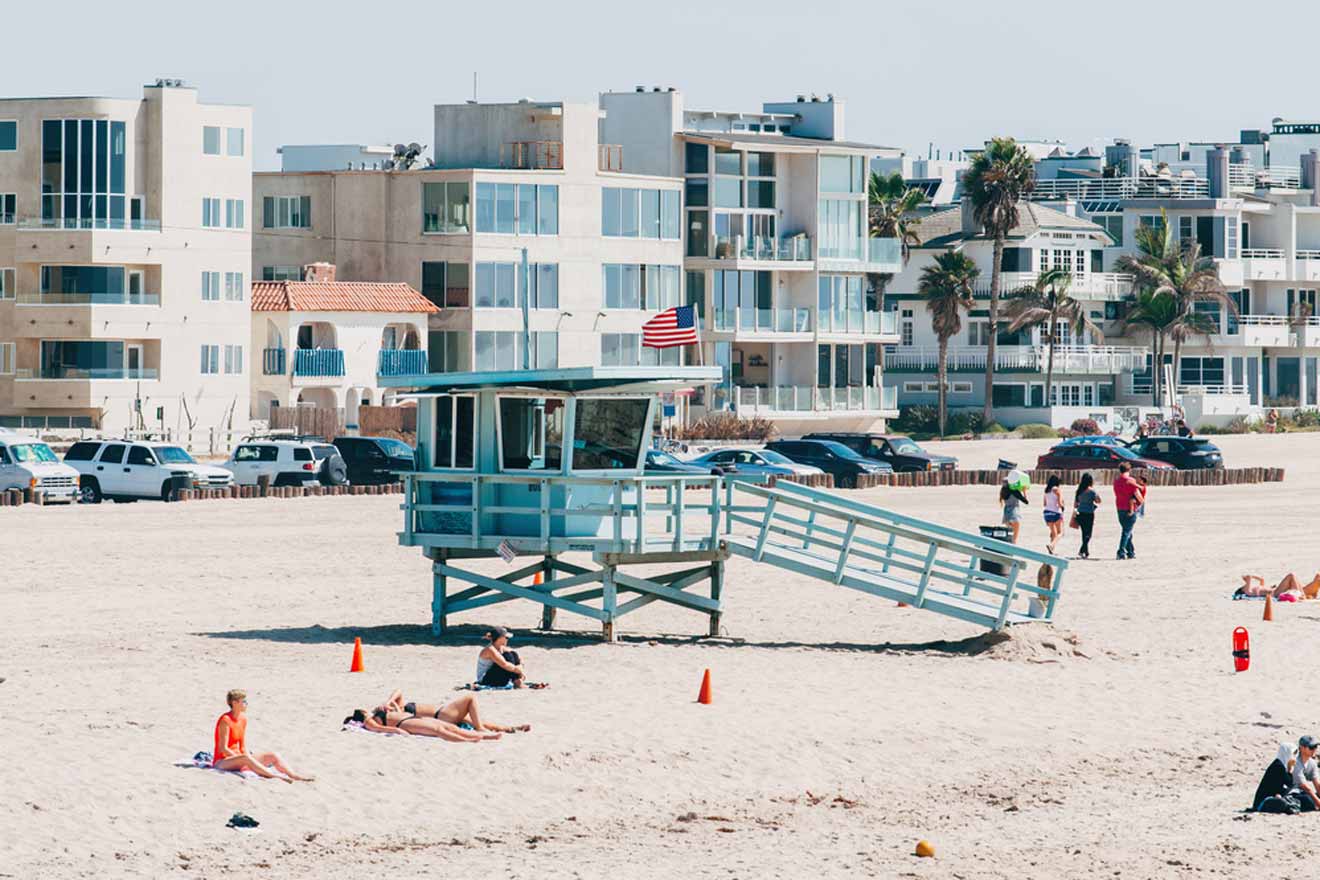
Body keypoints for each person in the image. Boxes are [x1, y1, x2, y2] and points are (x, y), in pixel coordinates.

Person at [212, 689, 313, 782]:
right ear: (234, 703)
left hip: (239, 757)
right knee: (245, 758)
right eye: (244, 702)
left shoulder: (243, 719)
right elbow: (223, 748)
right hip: (223, 761)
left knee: (273, 755)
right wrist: (242, 759)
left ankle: (293, 775)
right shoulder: (225, 720)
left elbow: (242, 745)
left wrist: (247, 757)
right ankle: (273, 776)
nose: (246, 704)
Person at [345, 698, 503, 742]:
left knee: (448, 726)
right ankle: (471, 738)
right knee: (439, 731)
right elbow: (379, 729)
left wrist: (390, 704)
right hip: (406, 723)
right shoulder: (369, 721)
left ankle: (485, 736)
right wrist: (397, 730)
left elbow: (398, 696)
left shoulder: (378, 713)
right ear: (362, 713)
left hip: (411, 718)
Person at [379, 689, 529, 733]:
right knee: (470, 698)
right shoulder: (402, 714)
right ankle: (480, 729)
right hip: (443, 715)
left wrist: (389, 701)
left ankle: (511, 728)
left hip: (444, 717)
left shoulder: (400, 707)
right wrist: (390, 705)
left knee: (481, 721)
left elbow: (398, 691)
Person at [1112, 463, 1145, 560]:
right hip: (1130, 508)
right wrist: (1141, 501)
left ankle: (1131, 552)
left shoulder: (1116, 482)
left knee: (1127, 530)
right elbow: (1138, 496)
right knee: (1126, 531)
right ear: (1129, 470)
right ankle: (1121, 552)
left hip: (1119, 507)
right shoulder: (1131, 481)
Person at [1073, 472, 1101, 559]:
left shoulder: (1079, 491)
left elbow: (1075, 504)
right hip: (1089, 513)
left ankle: (1086, 551)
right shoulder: (1092, 491)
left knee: (1084, 533)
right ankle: (1082, 550)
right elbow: (1098, 501)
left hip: (1080, 513)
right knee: (1088, 534)